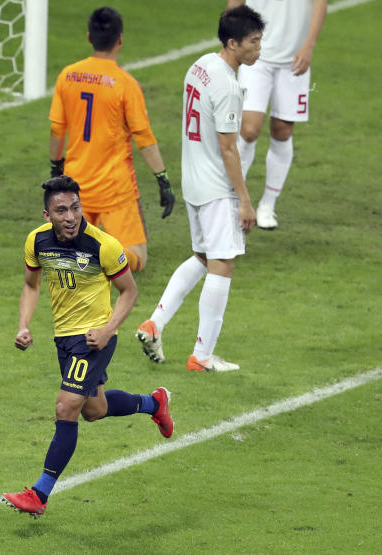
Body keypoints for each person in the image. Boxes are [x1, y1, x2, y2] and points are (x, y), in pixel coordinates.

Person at [2, 176, 174, 518]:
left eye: (76, 208)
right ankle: (155, 403)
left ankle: (40, 494)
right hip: (64, 339)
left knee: (66, 407)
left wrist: (108, 330)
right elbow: (30, 286)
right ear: (47, 214)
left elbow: (130, 292)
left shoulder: (103, 246)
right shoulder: (36, 241)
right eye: (61, 210)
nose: (70, 216)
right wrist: (23, 325)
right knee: (94, 410)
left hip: (93, 339)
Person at [134, 6, 264, 372]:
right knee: (223, 265)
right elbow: (228, 147)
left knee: (204, 258)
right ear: (233, 42)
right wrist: (244, 200)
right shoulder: (227, 87)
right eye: (253, 43)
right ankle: (202, 356)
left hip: (192, 179)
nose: (259, 50)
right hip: (215, 186)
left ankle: (154, 324)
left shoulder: (200, 65)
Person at [48, 6, 175, 272]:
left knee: (75, 240)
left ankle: (78, 249)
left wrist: (56, 168)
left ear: (89, 37)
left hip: (76, 186)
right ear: (120, 39)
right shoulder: (125, 84)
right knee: (137, 258)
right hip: (114, 189)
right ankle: (97, 255)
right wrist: (162, 179)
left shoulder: (67, 75)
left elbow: (57, 130)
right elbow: (143, 137)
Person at [226, 0, 327, 230]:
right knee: (249, 130)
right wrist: (229, 42)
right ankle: (232, 197)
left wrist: (309, 45)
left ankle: (267, 205)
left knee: (282, 129)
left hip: (294, 59)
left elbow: (320, 4)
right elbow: (235, 3)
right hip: (255, 56)